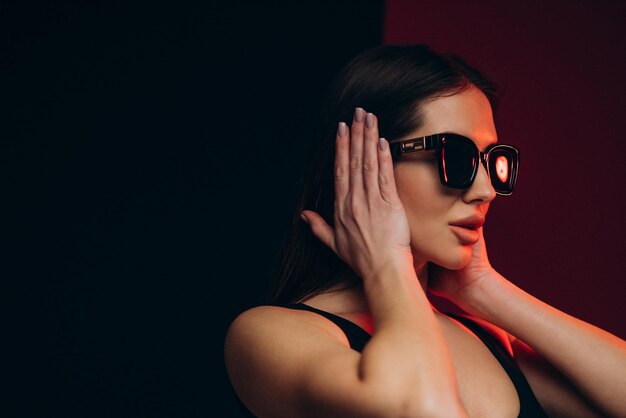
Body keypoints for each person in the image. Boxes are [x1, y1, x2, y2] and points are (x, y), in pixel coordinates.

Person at [223, 44, 626, 418]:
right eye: (457, 156)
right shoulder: (269, 335)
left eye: (491, 161)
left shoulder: (488, 337)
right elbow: (421, 408)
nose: (486, 191)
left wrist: (484, 288)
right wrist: (387, 264)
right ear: (363, 165)